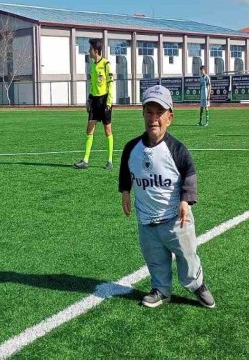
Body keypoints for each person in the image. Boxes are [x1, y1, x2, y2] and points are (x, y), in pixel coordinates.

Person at [119, 85, 216, 309]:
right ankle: (161, 289)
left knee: (187, 254)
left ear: (169, 118)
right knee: (154, 258)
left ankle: (197, 285)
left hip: (176, 220)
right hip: (146, 220)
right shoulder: (132, 148)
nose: (154, 118)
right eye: (149, 112)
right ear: (143, 114)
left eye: (159, 113)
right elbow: (126, 171)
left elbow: (189, 174)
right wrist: (125, 191)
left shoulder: (177, 150)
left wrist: (185, 200)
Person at [74, 38, 114, 170]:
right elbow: (92, 85)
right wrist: (89, 100)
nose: (89, 51)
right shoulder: (92, 66)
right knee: (89, 128)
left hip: (104, 101)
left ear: (96, 51)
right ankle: (85, 160)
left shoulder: (106, 64)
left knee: (107, 130)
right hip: (94, 101)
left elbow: (110, 84)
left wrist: (109, 102)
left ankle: (109, 161)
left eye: (90, 49)